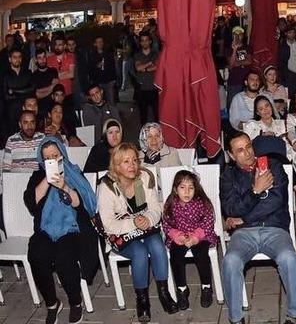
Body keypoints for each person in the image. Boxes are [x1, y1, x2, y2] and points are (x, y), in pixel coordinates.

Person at [220, 132, 296, 324]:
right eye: (240, 150)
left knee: (289, 258)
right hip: (243, 235)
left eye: (248, 146)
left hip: (274, 229)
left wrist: (244, 217)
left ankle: (295, 314)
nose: (247, 153)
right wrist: (256, 191)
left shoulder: (273, 165)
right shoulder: (228, 176)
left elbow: (276, 201)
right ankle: (235, 318)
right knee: (230, 261)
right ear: (232, 156)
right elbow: (231, 208)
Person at [97, 142, 178, 321]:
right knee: (140, 253)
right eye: (126, 162)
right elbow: (109, 224)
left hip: (146, 226)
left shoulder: (145, 177)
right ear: (116, 166)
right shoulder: (107, 186)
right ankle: (142, 300)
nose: (132, 165)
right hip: (121, 233)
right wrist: (135, 223)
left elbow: (156, 208)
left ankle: (164, 293)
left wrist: (148, 219)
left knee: (157, 246)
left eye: (134, 160)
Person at [25, 137, 99, 324]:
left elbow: (85, 204)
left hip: (73, 228)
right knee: (36, 253)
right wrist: (47, 179)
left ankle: (75, 302)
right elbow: (32, 203)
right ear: (42, 160)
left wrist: (64, 186)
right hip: (46, 229)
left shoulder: (73, 172)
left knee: (64, 256)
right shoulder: (37, 176)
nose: (52, 160)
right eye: (47, 157)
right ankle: (52, 304)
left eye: (55, 155)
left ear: (62, 154)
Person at [162, 170, 217, 309]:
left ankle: (206, 287)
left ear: (195, 189)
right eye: (182, 187)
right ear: (175, 189)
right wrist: (176, 235)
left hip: (200, 236)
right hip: (180, 237)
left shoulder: (202, 203)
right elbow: (166, 223)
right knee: (175, 255)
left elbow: (209, 221)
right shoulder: (170, 204)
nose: (187, 192)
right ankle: (182, 289)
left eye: (190, 188)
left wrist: (195, 237)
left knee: (201, 254)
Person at [2, 47, 33, 125]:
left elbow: (32, 89)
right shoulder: (4, 75)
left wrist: (13, 91)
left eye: (19, 57)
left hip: (27, 111)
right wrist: (25, 92)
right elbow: (7, 97)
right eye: (15, 57)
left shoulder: (28, 73)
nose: (17, 59)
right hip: (11, 112)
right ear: (10, 59)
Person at [133, 32, 159, 126]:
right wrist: (149, 64)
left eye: (146, 40)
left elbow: (157, 66)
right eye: (142, 41)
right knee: (143, 115)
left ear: (150, 41)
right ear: (140, 42)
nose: (144, 43)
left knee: (156, 115)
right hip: (142, 88)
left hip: (154, 88)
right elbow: (138, 68)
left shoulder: (156, 54)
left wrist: (145, 69)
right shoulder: (137, 55)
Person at [87, 36, 117, 104]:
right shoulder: (92, 55)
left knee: (111, 101)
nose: (100, 44)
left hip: (109, 81)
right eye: (98, 42)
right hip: (99, 82)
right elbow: (90, 69)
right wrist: (96, 66)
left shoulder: (108, 54)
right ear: (95, 44)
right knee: (100, 101)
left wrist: (114, 79)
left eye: (101, 42)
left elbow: (113, 66)